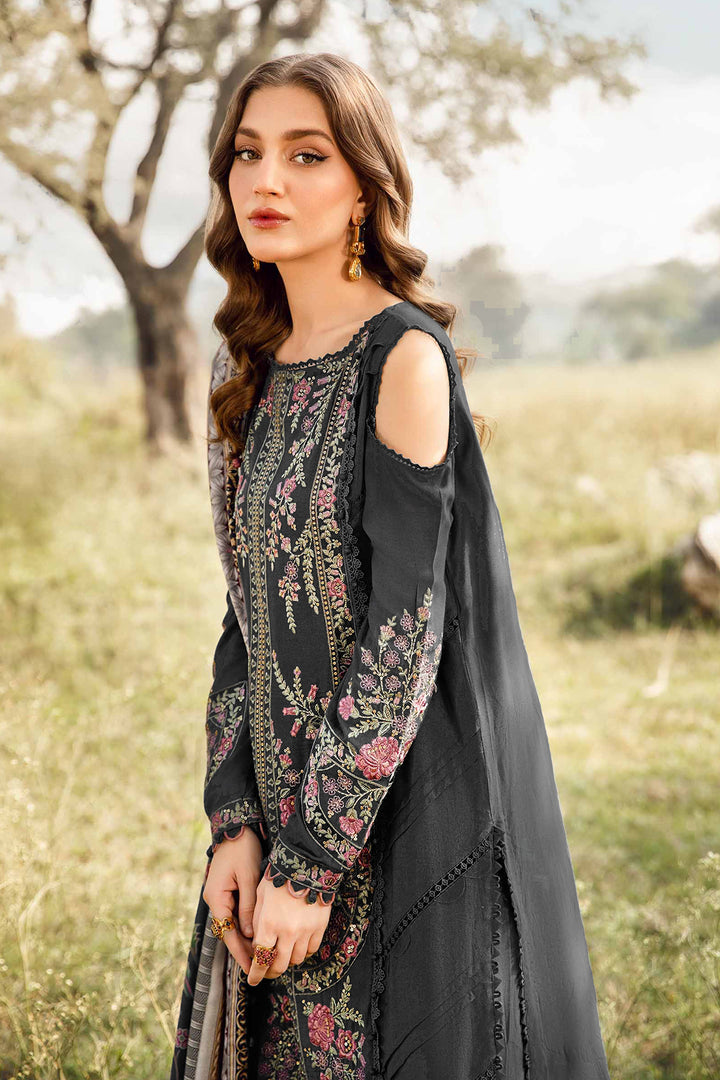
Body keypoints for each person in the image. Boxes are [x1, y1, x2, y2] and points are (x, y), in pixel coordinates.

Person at [170, 52, 612, 1080]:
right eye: (247, 154)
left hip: (403, 818)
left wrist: (311, 869)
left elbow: (404, 643)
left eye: (306, 155)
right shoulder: (244, 365)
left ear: (365, 185)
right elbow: (245, 615)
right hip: (276, 812)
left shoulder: (401, 359)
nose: (266, 181)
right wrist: (234, 822)